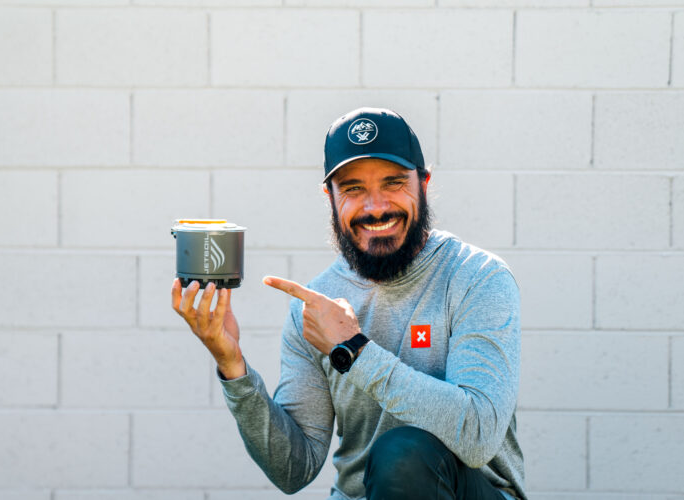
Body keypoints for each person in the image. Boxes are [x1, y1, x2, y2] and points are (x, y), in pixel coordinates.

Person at [171, 107, 525, 500]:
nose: (375, 207)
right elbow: (293, 470)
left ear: (424, 185)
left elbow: (478, 436)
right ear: (331, 197)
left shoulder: (476, 277)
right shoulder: (313, 307)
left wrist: (354, 351)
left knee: (403, 453)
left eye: (393, 183)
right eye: (354, 189)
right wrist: (232, 366)